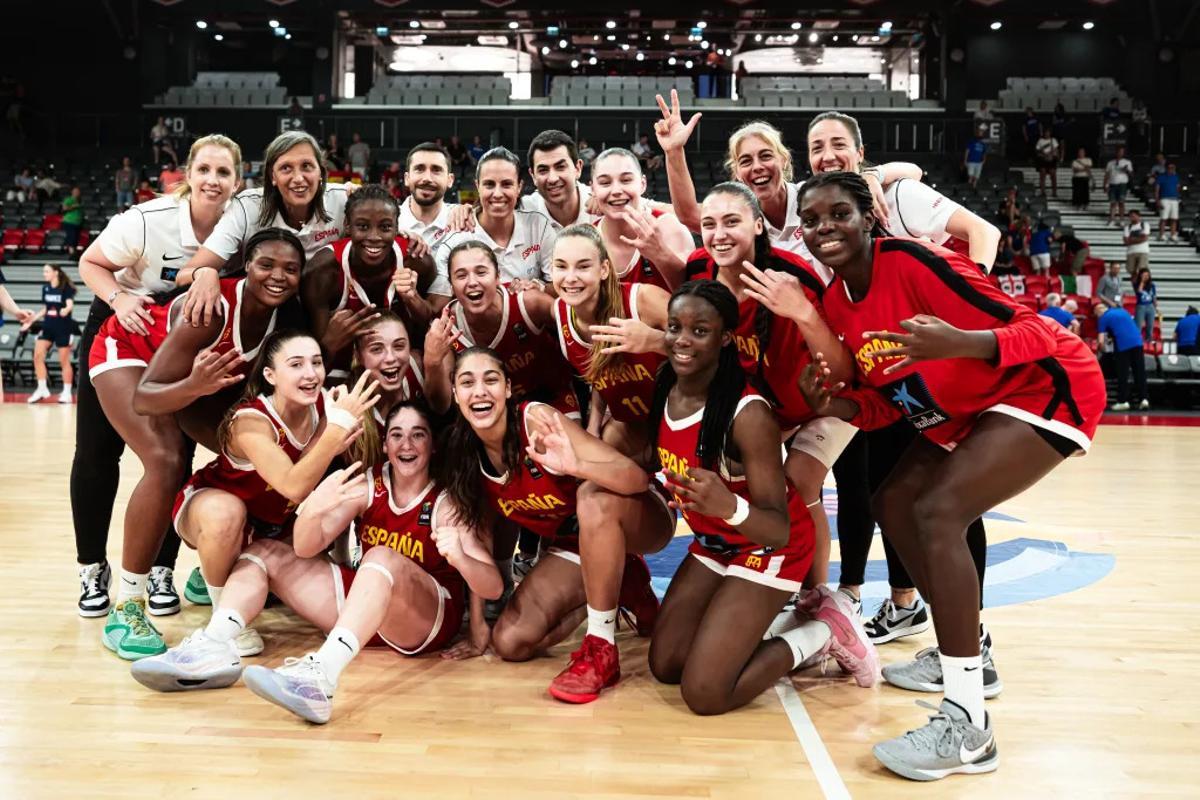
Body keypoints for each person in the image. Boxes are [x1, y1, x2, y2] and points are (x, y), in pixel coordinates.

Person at [795, 170, 1106, 781]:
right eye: (811, 220)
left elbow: (1036, 331)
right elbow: (891, 400)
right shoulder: (835, 303)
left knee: (938, 512)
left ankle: (968, 727)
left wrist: (960, 342)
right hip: (963, 410)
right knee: (893, 501)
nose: (824, 227)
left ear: (869, 217)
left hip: (1046, 385)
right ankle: (971, 653)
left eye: (839, 214)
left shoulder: (911, 261)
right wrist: (829, 405)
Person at [131, 400, 501, 724]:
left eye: (418, 435)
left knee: (380, 557)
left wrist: (464, 565)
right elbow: (306, 548)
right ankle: (213, 646)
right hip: (368, 608)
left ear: (432, 446)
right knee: (266, 552)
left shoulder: (445, 500)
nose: (406, 444)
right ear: (385, 444)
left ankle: (320, 676)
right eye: (397, 435)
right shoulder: (366, 484)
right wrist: (315, 507)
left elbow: (493, 585)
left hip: (427, 620)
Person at [648, 279, 876, 716]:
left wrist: (727, 505)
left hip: (769, 545)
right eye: (674, 327)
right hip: (716, 539)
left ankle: (821, 633)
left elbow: (779, 527)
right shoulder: (667, 384)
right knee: (667, 663)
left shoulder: (748, 414)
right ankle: (754, 629)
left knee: (705, 693)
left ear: (726, 338)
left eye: (699, 330)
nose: (681, 339)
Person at [90, 229, 303, 660]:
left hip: (189, 380)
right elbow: (147, 397)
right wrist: (194, 384)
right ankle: (128, 605)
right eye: (266, 265)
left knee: (252, 452)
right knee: (167, 461)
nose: (278, 276)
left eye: (290, 269)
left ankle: (214, 562)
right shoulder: (211, 310)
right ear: (247, 266)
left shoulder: (286, 315)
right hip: (131, 353)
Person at [72, 133, 243, 620]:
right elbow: (91, 262)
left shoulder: (240, 224)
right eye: (204, 170)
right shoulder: (148, 219)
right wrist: (120, 299)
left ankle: (163, 566)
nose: (212, 180)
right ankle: (91, 567)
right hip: (122, 323)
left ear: (237, 180)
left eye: (223, 172)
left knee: (175, 454)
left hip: (180, 337)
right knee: (97, 452)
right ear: (187, 175)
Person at [441, 346, 669, 703]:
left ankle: (600, 645)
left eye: (491, 380)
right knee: (510, 643)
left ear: (508, 388)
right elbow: (481, 537)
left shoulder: (536, 421)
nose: (480, 391)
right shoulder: (465, 453)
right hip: (575, 541)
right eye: (467, 382)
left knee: (591, 499)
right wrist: (478, 626)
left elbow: (635, 478)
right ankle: (623, 582)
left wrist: (577, 467)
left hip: (636, 512)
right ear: (455, 394)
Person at [165, 333, 380, 644]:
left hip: (276, 524)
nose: (310, 373)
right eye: (296, 364)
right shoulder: (250, 421)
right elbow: (293, 486)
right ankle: (221, 610)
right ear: (270, 375)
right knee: (226, 513)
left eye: (316, 363)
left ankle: (218, 574)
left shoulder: (328, 407)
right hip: (211, 508)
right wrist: (334, 434)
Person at [178, 130, 360, 326]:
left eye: (307, 166)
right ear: (272, 176)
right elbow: (184, 275)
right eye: (286, 168)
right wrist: (205, 273)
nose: (298, 178)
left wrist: (363, 199)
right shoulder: (248, 207)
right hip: (269, 311)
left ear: (321, 173)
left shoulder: (344, 200)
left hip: (329, 309)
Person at [548, 224, 668, 454]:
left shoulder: (642, 300)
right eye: (561, 266)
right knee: (587, 487)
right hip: (632, 425)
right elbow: (602, 376)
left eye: (583, 266)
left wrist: (655, 341)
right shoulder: (559, 313)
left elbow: (709, 348)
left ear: (603, 269)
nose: (570, 278)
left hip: (679, 420)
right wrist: (592, 427)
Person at [423, 241, 576, 419]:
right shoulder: (446, 327)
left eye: (481, 272)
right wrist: (431, 362)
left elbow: (577, 324)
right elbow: (441, 406)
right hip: (491, 414)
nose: (472, 282)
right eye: (461, 275)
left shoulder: (529, 302)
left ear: (497, 277)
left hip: (552, 400)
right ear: (451, 286)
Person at [299, 184, 433, 382]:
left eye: (385, 227)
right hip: (338, 374)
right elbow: (316, 361)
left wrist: (413, 299)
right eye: (362, 226)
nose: (374, 237)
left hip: (396, 366)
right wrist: (328, 342)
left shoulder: (417, 261)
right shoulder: (322, 271)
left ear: (397, 228)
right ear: (347, 225)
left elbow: (426, 328)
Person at [429, 147, 557, 311]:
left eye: (506, 184)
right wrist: (410, 295)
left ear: (519, 187)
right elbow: (436, 308)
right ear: (478, 186)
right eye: (489, 184)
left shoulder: (538, 226)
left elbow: (560, 287)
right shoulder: (456, 239)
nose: (497, 194)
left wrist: (539, 288)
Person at [591, 147, 693, 292]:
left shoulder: (669, 227)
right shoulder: (585, 238)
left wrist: (660, 253)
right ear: (593, 189)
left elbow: (693, 296)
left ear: (642, 184)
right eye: (605, 183)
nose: (616, 191)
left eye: (626, 180)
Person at [22, 264, 76, 404]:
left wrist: (66, 309)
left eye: (46, 271)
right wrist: (31, 321)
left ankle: (67, 392)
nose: (44, 274)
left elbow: (70, 304)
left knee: (64, 361)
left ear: (55, 272)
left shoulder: (65, 288)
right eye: (43, 271)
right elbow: (45, 308)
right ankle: (41, 388)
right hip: (48, 327)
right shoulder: (45, 288)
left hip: (63, 327)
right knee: (37, 355)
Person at [399, 142, 458, 248]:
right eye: (419, 169)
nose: (427, 178)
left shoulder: (464, 221)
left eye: (436, 170)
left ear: (450, 180)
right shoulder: (389, 222)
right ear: (407, 178)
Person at [1095, 303, 1148, 410]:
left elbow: (1100, 341)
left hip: (1123, 345)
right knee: (1139, 372)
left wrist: (1099, 352)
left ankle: (1123, 401)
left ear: (1098, 311)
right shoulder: (1123, 311)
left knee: (1122, 374)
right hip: (1138, 343)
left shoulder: (1103, 318)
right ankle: (1143, 399)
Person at [1104, 146, 1133, 225]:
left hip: (1122, 184)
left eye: (1121, 152)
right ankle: (1112, 219)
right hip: (1112, 184)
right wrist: (1105, 185)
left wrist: (1126, 170)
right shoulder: (1110, 163)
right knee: (1113, 202)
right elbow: (1107, 174)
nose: (1120, 153)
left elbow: (1131, 174)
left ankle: (1122, 220)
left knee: (1121, 202)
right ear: (1116, 152)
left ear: (1123, 153)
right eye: (1118, 151)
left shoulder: (1127, 162)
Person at [1155, 163, 1180, 241]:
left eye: (1173, 168)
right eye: (1170, 167)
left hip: (1174, 199)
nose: (1171, 169)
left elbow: (1178, 188)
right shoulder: (1161, 177)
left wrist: (1178, 197)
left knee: (1174, 218)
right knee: (1164, 218)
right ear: (1166, 168)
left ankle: (1173, 235)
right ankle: (1161, 234)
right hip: (1164, 199)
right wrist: (1157, 200)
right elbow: (1157, 190)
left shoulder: (1176, 177)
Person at [1132, 267, 1158, 342]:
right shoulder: (1136, 284)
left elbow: (1154, 295)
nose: (1146, 277)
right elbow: (1139, 291)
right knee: (1138, 326)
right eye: (1144, 275)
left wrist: (1155, 304)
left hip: (1150, 306)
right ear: (1140, 276)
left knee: (1150, 325)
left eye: (1147, 275)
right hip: (1141, 306)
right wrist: (1142, 282)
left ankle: (1149, 339)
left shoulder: (1152, 285)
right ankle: (1136, 341)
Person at [1123, 209, 1151, 277]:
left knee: (1142, 271)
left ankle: (1143, 286)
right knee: (1132, 271)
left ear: (1138, 216)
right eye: (1130, 216)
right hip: (1131, 252)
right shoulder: (1127, 227)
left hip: (1142, 251)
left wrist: (1132, 239)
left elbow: (1145, 238)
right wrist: (1139, 239)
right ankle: (1135, 287)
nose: (1132, 218)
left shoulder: (1144, 225)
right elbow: (1126, 241)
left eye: (1133, 216)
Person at [1034, 126, 1059, 197]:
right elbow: (1037, 151)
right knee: (1042, 174)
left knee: (1053, 175)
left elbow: (1056, 150)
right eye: (1045, 133)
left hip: (1051, 159)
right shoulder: (1040, 141)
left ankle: (1054, 192)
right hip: (1043, 160)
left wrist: (1052, 155)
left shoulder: (1053, 140)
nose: (1047, 134)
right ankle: (1042, 192)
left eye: (1048, 133)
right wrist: (1043, 155)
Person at [61, 186, 84, 257]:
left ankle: (74, 254)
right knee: (72, 237)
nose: (77, 193)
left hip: (78, 223)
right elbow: (64, 209)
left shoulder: (80, 201)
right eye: (75, 191)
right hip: (69, 221)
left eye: (78, 192)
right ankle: (71, 253)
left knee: (76, 238)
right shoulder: (68, 199)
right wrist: (74, 206)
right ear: (72, 192)